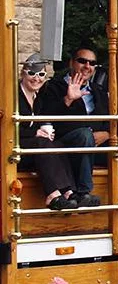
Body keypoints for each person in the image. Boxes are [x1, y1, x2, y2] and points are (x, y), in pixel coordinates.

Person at [39, 45, 112, 207]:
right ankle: (83, 192)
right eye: (82, 61)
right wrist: (68, 100)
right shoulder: (53, 87)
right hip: (66, 143)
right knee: (84, 135)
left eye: (92, 63)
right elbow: (45, 117)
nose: (88, 66)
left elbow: (110, 120)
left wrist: (107, 133)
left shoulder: (98, 90)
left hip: (97, 144)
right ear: (72, 63)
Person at [18, 54, 78, 210]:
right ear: (23, 74)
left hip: (31, 149)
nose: (36, 78)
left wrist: (68, 99)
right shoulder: (13, 96)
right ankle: (52, 195)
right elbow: (8, 127)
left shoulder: (38, 98)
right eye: (32, 73)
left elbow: (50, 113)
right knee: (41, 143)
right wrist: (36, 133)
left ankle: (68, 192)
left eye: (41, 74)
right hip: (13, 148)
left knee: (57, 144)